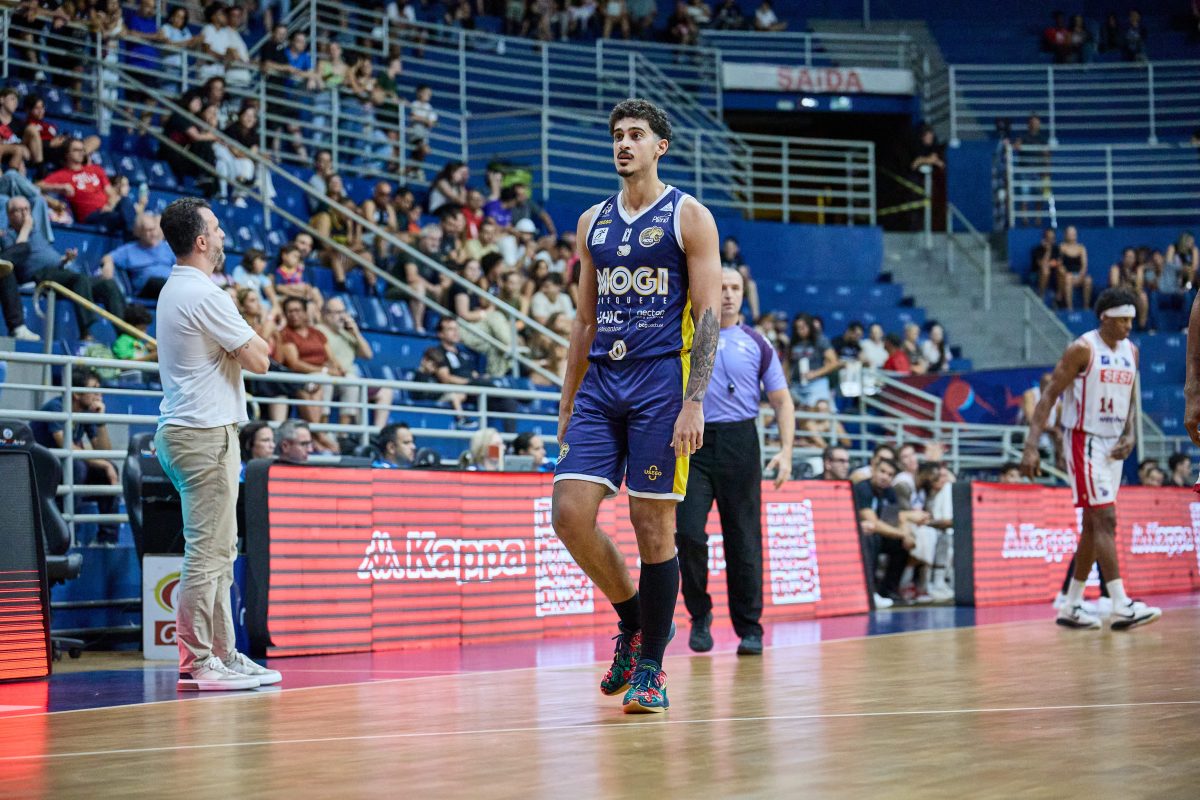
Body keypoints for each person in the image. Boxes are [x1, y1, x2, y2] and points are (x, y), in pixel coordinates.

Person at [552, 99, 720, 714]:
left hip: (660, 385)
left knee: (654, 528)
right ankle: (634, 623)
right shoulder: (592, 221)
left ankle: (652, 667)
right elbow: (584, 320)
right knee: (569, 515)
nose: (624, 144)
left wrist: (694, 401)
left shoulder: (689, 216)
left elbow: (708, 316)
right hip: (601, 384)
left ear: (659, 147)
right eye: (618, 135)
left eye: (636, 135)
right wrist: (567, 399)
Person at [153, 197, 280, 690]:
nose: (225, 235)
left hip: (194, 432)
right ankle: (199, 660)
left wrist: (242, 344)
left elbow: (253, 352)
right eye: (218, 228)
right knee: (208, 554)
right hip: (203, 435)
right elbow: (261, 359)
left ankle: (224, 653)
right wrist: (244, 342)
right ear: (202, 240)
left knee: (220, 552)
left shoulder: (178, 289)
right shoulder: (204, 294)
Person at [1022, 287, 1160, 631]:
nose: (1129, 326)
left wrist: (1131, 433)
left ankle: (1071, 605)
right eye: (1123, 320)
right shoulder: (1083, 349)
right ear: (1105, 318)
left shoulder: (1132, 351)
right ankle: (1121, 604)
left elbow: (1129, 399)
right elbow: (1049, 396)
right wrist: (1031, 445)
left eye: (1131, 320)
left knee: (1092, 525)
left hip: (1114, 445)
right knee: (1105, 519)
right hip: (1084, 439)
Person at [675, 267, 793, 656]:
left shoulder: (758, 343)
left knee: (743, 537)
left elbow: (781, 401)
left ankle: (750, 628)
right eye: (721, 286)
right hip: (694, 444)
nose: (727, 294)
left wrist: (786, 451)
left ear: (743, 294)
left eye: (734, 288)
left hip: (741, 442)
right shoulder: (685, 337)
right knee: (688, 534)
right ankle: (699, 614)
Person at [31, 369, 120, 546]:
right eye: (94, 389)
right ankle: (67, 536)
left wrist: (100, 421)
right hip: (40, 471)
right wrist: (104, 464)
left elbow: (104, 452)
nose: (99, 395)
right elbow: (65, 445)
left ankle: (106, 540)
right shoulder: (56, 407)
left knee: (107, 470)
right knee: (78, 467)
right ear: (77, 393)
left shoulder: (86, 412)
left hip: (65, 469)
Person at [853, 458, 913, 607]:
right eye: (882, 471)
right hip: (859, 535)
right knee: (872, 538)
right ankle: (870, 591)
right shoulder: (863, 488)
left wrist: (906, 534)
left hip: (879, 533)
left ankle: (889, 590)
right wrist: (902, 534)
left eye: (890, 474)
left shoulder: (889, 492)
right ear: (873, 470)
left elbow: (896, 518)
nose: (885, 477)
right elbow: (872, 522)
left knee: (901, 545)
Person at [100, 212, 176, 300]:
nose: (153, 234)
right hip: (147, 290)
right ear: (139, 232)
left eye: (154, 229)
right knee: (159, 282)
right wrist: (108, 264)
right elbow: (107, 258)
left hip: (171, 285)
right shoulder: (129, 249)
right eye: (148, 230)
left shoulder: (167, 247)